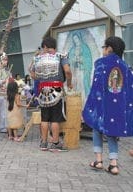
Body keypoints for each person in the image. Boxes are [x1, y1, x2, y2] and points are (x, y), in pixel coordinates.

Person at [83, 36, 133, 175]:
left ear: (109, 48)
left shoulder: (101, 64)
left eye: (104, 47)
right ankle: (113, 164)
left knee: (96, 129)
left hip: (102, 105)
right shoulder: (125, 66)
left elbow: (96, 87)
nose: (103, 50)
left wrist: (90, 105)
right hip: (117, 107)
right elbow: (129, 89)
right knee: (112, 132)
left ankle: (98, 161)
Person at [30, 37, 73, 152]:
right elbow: (67, 71)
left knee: (44, 118)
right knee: (55, 119)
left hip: (43, 92)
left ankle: (43, 143)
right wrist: (69, 83)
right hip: (57, 90)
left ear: (44, 46)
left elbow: (33, 74)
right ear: (55, 46)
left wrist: (42, 79)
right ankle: (55, 143)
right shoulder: (61, 56)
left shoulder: (38, 58)